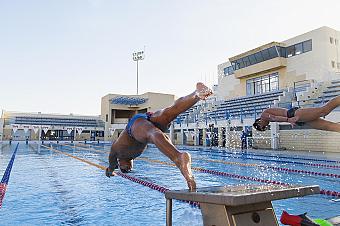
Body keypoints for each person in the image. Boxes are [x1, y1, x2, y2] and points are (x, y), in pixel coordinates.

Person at [105, 82, 213, 190]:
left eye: (124, 168)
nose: (128, 168)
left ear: (119, 163)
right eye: (128, 170)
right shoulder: (132, 155)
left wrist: (110, 171)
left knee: (152, 133)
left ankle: (179, 157)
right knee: (169, 113)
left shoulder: (116, 151)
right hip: (147, 119)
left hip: (133, 127)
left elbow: (110, 165)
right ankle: (196, 94)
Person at [253, 96, 340, 133]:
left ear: (259, 122)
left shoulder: (263, 115)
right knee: (328, 127)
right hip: (298, 120)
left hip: (294, 114)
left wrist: (288, 120)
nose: (266, 127)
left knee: (323, 111)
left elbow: (274, 117)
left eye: (263, 127)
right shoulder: (266, 119)